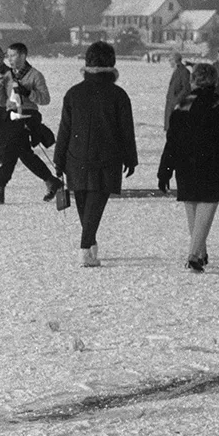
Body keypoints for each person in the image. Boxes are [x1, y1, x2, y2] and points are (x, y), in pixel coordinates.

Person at [54, 41, 137, 268]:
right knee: (96, 205)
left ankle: (90, 246)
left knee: (85, 205)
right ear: (112, 64)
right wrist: (131, 158)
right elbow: (126, 131)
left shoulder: (73, 93)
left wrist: (58, 160)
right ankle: (85, 249)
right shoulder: (119, 95)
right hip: (107, 158)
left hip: (75, 157)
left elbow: (65, 130)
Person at [158, 62, 219, 274]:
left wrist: (164, 171)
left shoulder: (181, 106)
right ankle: (194, 255)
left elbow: (172, 142)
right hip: (214, 166)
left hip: (185, 166)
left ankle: (200, 252)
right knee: (206, 206)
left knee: (193, 211)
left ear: (193, 80)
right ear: (214, 81)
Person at [0, 42, 59, 205]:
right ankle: (50, 181)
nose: (9, 59)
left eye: (13, 56)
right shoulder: (7, 76)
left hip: (27, 117)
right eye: (8, 56)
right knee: (24, 154)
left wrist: (28, 92)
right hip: (12, 117)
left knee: (10, 152)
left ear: (23, 56)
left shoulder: (35, 75)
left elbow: (45, 99)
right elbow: (2, 102)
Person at [164, 52, 191, 132]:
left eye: (170, 60)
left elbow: (186, 89)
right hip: (171, 103)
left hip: (177, 105)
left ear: (175, 60)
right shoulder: (176, 71)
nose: (169, 62)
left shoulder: (184, 71)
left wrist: (176, 101)